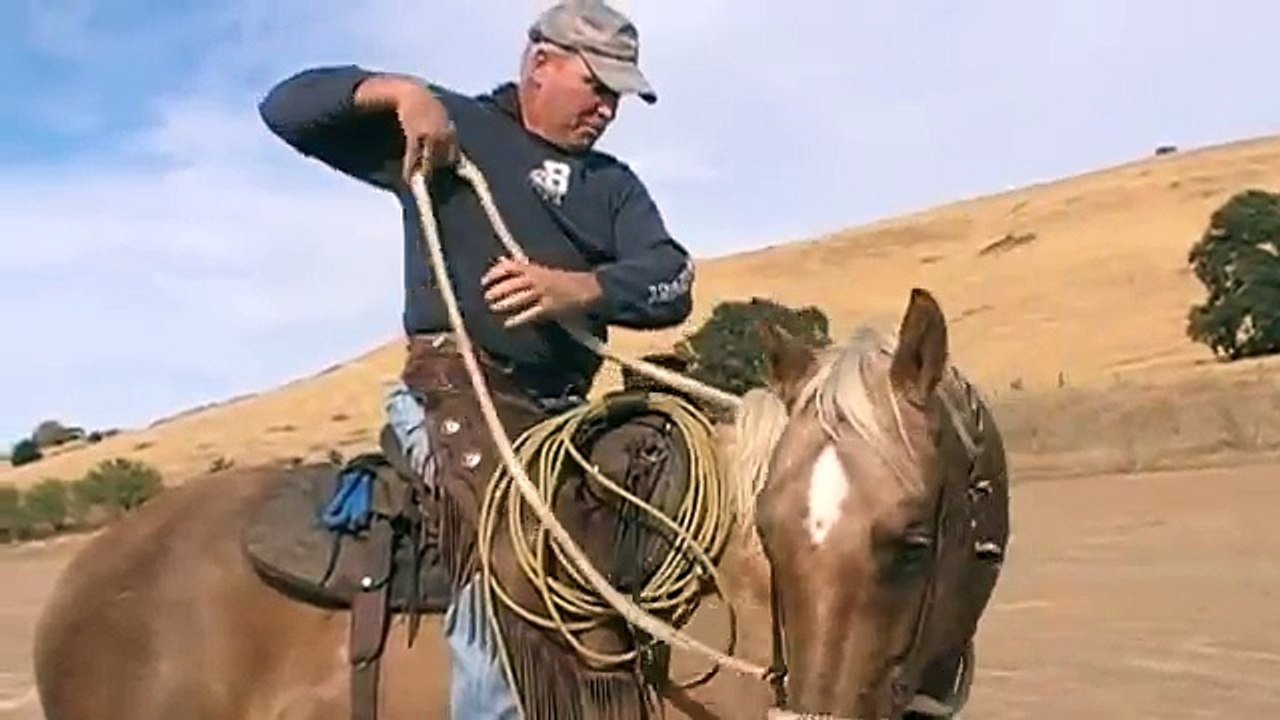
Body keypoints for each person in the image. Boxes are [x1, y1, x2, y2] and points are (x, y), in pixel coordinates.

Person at [258, 1, 694, 716]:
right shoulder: (449, 126)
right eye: (598, 86)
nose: (608, 110)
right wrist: (399, 92)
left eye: (618, 96)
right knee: (511, 568)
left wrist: (579, 289)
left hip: (561, 420)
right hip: (455, 396)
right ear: (541, 64)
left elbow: (671, 279)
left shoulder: (612, 187)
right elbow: (287, 108)